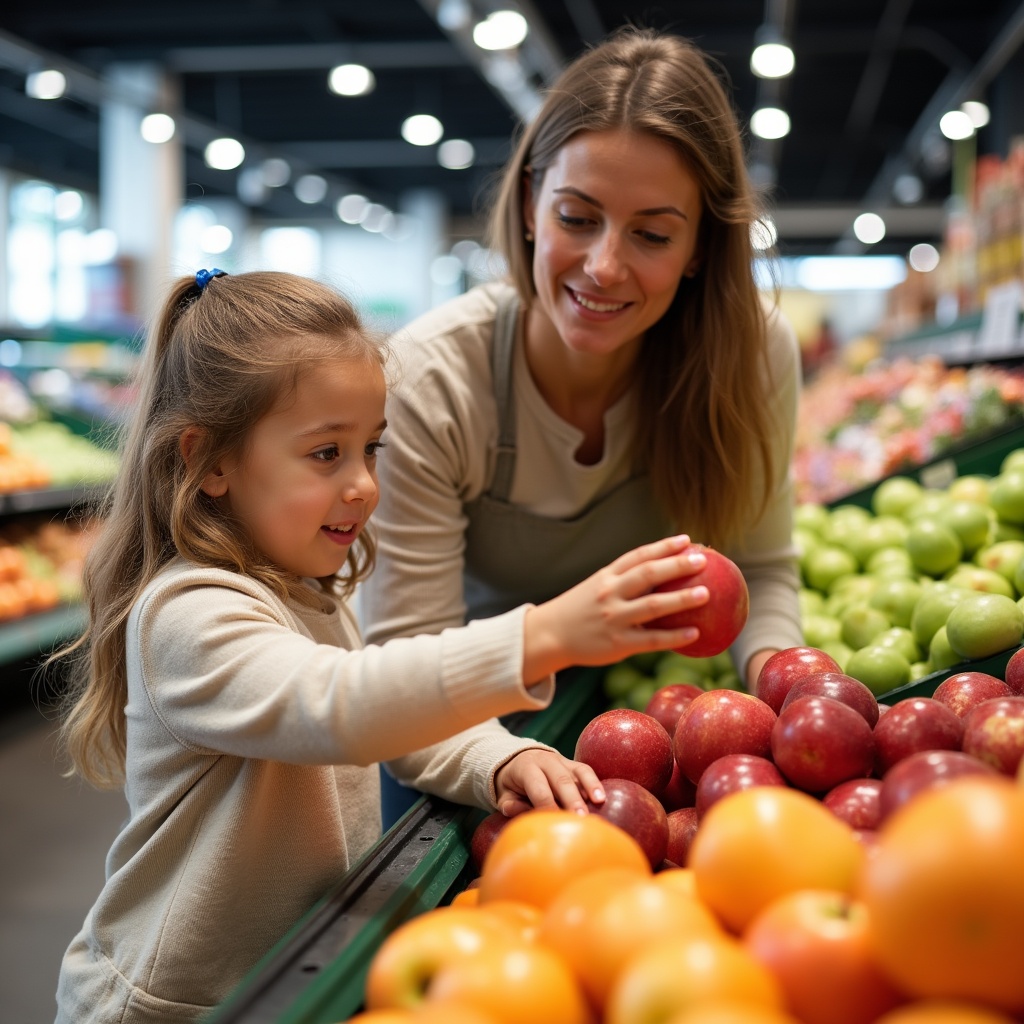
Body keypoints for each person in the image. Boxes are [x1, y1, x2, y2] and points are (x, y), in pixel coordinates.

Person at [49, 268, 709, 1023]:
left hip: (287, 975)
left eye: (371, 448)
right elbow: (342, 708)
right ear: (211, 461)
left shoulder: (309, 592)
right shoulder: (189, 615)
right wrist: (545, 635)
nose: (364, 483)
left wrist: (497, 756)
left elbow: (396, 722)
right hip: (172, 1005)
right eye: (326, 453)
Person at [362, 27, 806, 825]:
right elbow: (401, 665)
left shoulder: (751, 358)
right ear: (532, 203)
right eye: (578, 216)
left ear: (702, 244)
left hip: (632, 724)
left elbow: (762, 566)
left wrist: (785, 685)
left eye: (653, 234)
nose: (604, 266)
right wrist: (505, 757)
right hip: (457, 728)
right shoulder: (433, 378)